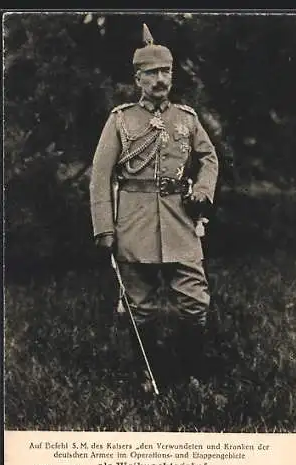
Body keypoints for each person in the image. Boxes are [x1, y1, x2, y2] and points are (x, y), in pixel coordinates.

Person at [89, 24, 219, 391]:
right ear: (138, 78)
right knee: (140, 306)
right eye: (152, 73)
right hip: (134, 221)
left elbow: (209, 158)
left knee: (195, 301)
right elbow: (100, 175)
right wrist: (104, 227)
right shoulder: (121, 120)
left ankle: (191, 372)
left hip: (180, 219)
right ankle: (148, 373)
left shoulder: (186, 119)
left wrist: (204, 189)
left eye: (166, 72)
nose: (160, 80)